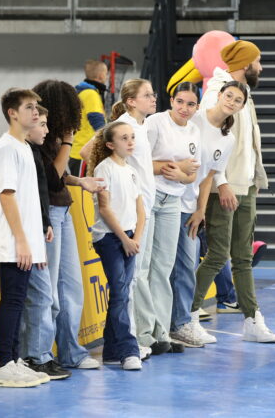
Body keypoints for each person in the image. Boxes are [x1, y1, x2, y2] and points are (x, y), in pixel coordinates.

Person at [190, 40, 275, 344]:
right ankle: (188, 316)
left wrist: (253, 179)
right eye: (258, 61)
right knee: (217, 255)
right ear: (245, 63)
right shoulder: (217, 91)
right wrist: (222, 181)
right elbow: (208, 141)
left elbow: (246, 143)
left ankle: (252, 319)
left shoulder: (244, 93)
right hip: (222, 189)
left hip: (245, 185)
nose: (261, 67)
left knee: (242, 258)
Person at [22, 81, 103, 374]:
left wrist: (80, 181)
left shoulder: (50, 136)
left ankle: (69, 351)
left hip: (62, 211)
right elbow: (51, 178)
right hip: (49, 214)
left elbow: (61, 175)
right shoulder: (38, 137)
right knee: (49, 290)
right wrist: (68, 142)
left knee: (70, 286)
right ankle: (39, 354)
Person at [81, 78, 158, 361]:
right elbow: (86, 151)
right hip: (116, 228)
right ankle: (129, 344)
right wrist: (100, 175)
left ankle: (117, 346)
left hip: (138, 214)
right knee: (125, 286)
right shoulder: (123, 126)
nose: (153, 98)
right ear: (131, 101)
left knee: (131, 282)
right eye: (147, 94)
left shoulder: (140, 128)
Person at [170, 80, 247, 348]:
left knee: (187, 265)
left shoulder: (228, 138)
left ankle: (183, 321)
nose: (231, 102)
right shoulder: (195, 119)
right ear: (219, 95)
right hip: (167, 198)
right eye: (229, 96)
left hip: (189, 204)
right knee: (165, 268)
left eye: (238, 100)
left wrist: (200, 210)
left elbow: (208, 176)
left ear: (242, 107)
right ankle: (169, 324)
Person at [0, 88, 50, 388]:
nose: (35, 112)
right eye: (28, 107)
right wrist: (22, 240)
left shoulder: (24, 147)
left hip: (25, 240)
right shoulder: (7, 148)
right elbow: (7, 196)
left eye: (36, 107)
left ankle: (12, 359)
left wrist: (35, 244)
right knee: (12, 301)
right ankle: (1, 363)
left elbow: (28, 201)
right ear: (12, 113)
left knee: (18, 300)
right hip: (13, 239)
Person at [141, 81, 201, 355]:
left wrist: (181, 174)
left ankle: (161, 332)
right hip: (150, 196)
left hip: (173, 201)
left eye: (190, 104)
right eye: (180, 102)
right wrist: (176, 168)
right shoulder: (155, 123)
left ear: (197, 107)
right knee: (144, 267)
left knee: (164, 269)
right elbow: (139, 162)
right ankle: (144, 334)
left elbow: (192, 174)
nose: (184, 108)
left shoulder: (194, 131)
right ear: (171, 101)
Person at [87, 121, 146, 370]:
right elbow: (104, 208)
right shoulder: (104, 168)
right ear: (111, 144)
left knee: (122, 293)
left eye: (132, 137)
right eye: (124, 138)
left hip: (130, 237)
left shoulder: (131, 170)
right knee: (121, 292)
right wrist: (124, 239)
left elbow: (140, 209)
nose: (130, 142)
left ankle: (111, 350)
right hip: (110, 238)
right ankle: (128, 350)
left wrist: (136, 238)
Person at [69, 59, 108, 176]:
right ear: (101, 76)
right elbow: (98, 123)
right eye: (106, 74)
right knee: (84, 187)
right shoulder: (91, 94)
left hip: (79, 152)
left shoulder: (83, 92)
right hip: (85, 153)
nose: (106, 77)